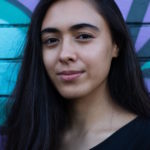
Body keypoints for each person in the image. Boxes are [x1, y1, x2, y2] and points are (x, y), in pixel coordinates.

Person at [0, 0, 150, 149]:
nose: (64, 54)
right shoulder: (28, 135)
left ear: (116, 45)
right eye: (51, 40)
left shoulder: (144, 138)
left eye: (84, 36)